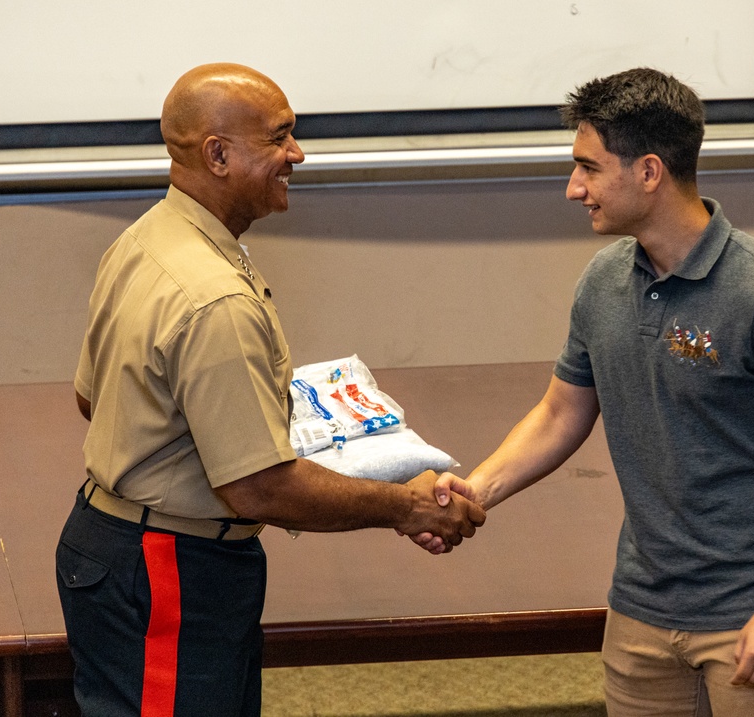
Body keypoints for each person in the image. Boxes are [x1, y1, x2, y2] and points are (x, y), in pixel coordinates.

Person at [412, 68, 754, 716]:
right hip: (642, 611)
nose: (575, 189)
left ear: (649, 171)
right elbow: (560, 412)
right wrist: (475, 492)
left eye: (589, 168)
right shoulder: (603, 283)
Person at [56, 62, 485, 717]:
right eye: (280, 139)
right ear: (218, 154)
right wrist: (408, 506)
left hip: (114, 547)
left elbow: (95, 399)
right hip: (170, 570)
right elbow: (257, 486)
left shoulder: (145, 241)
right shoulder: (214, 297)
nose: (297, 154)